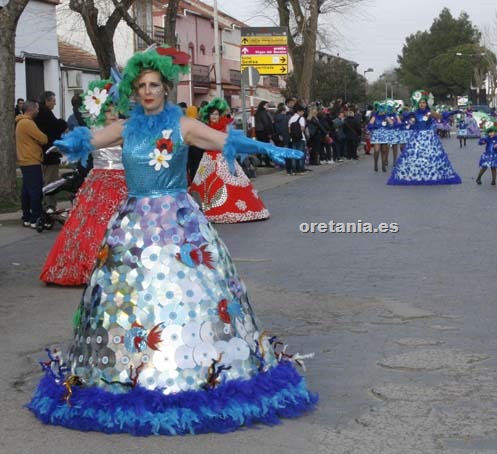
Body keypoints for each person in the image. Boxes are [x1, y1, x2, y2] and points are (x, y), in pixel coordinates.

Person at [27, 46, 314, 435]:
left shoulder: (181, 126)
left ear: (165, 89)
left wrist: (267, 147)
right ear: (135, 90)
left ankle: (195, 367)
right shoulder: (127, 128)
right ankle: (120, 369)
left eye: (155, 85)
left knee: (189, 294)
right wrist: (68, 143)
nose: (148, 92)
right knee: (126, 297)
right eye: (142, 86)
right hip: (132, 228)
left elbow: (223, 140)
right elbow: (91, 139)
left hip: (179, 225)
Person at [40, 78, 128, 286]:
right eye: (108, 110)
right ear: (99, 111)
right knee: (89, 225)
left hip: (123, 182)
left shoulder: (125, 132)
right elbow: (76, 147)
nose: (113, 114)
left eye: (116, 109)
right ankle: (85, 265)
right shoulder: (91, 132)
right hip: (98, 182)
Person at [189, 97, 270, 223]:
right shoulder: (205, 127)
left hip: (224, 158)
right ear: (208, 116)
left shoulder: (225, 127)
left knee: (231, 184)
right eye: (212, 114)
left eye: (216, 114)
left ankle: (234, 208)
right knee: (208, 186)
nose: (214, 117)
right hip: (208, 159)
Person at [386, 91, 462, 185]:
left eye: (424, 102)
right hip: (417, 138)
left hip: (429, 138)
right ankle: (415, 175)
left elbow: (442, 116)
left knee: (431, 157)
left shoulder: (430, 113)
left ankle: (432, 175)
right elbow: (402, 119)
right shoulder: (414, 113)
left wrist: (453, 112)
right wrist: (397, 115)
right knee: (415, 157)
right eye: (421, 103)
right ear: (418, 104)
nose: (422, 104)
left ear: (426, 104)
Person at [15, 100, 47, 228]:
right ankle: (35, 218)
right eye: (37, 109)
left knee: (27, 191)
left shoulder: (20, 122)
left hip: (24, 160)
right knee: (35, 191)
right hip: (31, 160)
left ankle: (27, 217)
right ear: (32, 109)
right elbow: (43, 138)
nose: (38, 111)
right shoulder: (28, 123)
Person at [34, 91, 67, 212]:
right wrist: (63, 123)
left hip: (43, 152)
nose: (55, 103)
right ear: (47, 101)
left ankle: (45, 204)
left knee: (46, 179)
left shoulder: (41, 112)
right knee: (50, 181)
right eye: (53, 100)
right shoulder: (45, 113)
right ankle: (49, 206)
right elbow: (56, 125)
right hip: (49, 153)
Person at [287, 104, 307, 175]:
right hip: (301, 138)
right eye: (302, 111)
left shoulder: (291, 118)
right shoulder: (301, 118)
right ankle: (300, 169)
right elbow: (302, 128)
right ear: (299, 111)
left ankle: (294, 169)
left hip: (293, 138)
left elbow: (289, 130)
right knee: (301, 154)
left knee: (294, 154)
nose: (303, 113)